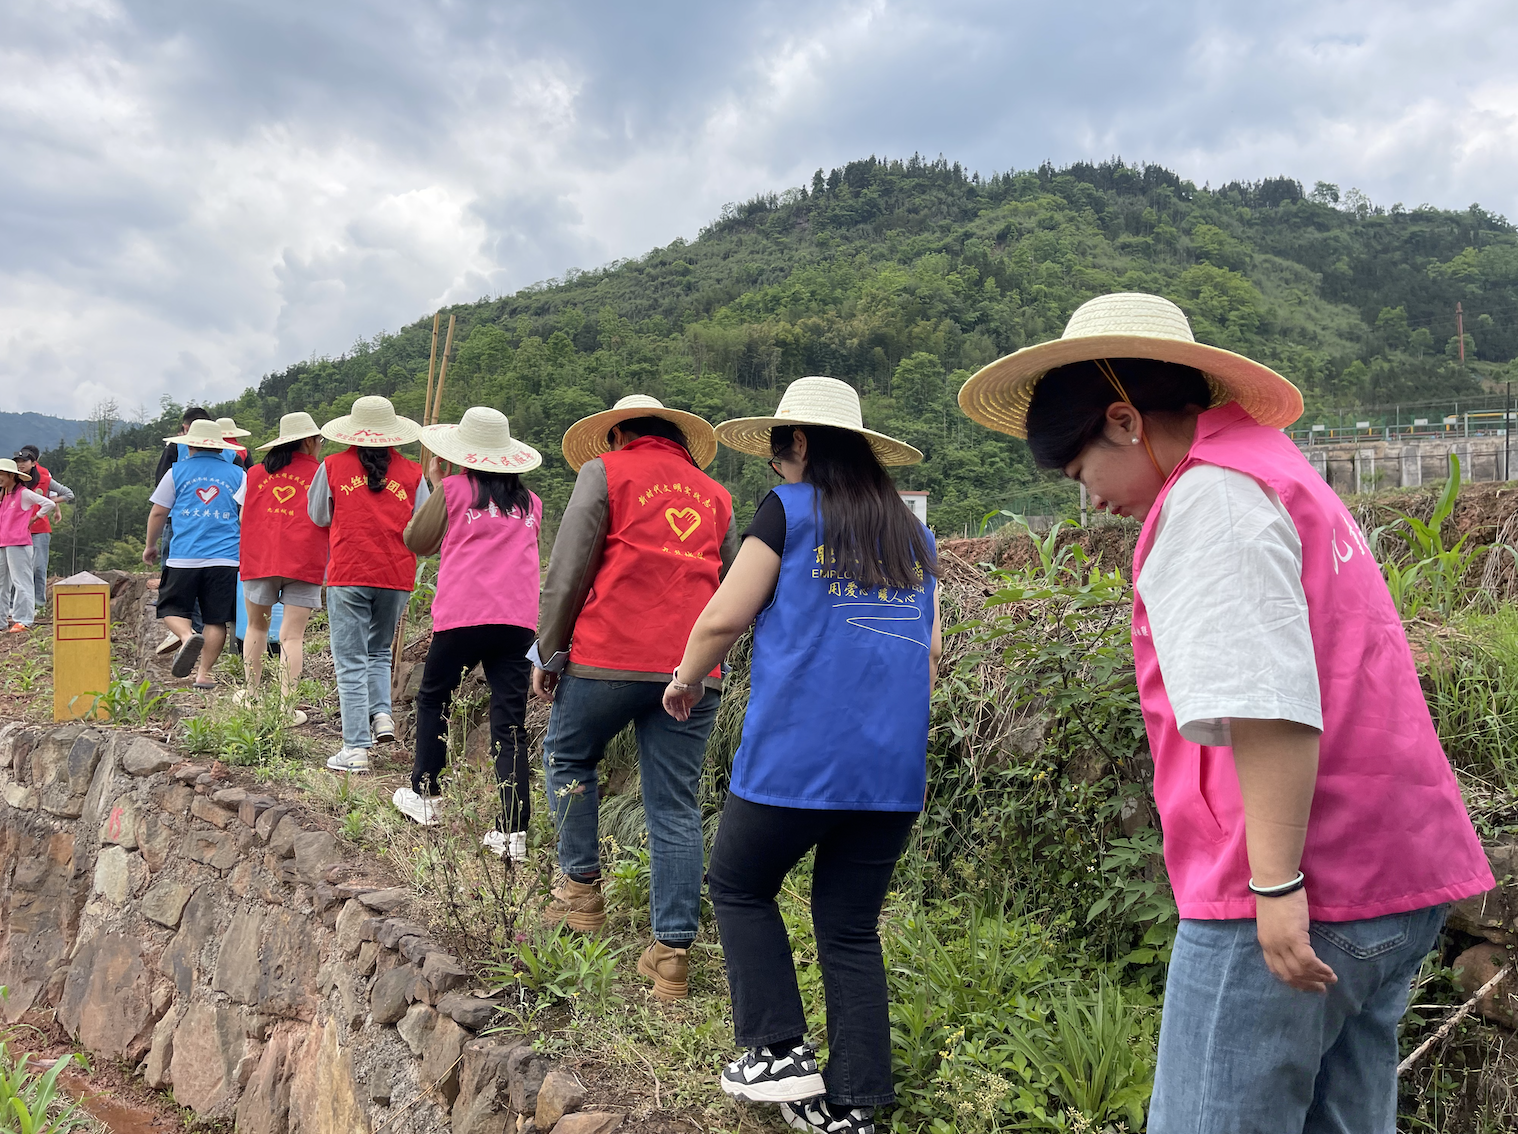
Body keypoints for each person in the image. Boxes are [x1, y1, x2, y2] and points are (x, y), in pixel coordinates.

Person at [957, 292, 1495, 1134]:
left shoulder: (1212, 500)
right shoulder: (1274, 467)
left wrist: (1274, 887)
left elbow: (1266, 707)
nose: (1090, 502)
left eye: (1080, 473)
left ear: (1124, 422)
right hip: (1392, 872)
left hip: (1295, 887)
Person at [663, 376, 940, 1133]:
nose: (777, 467)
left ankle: (778, 1049)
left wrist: (685, 678)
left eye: (778, 452)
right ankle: (857, 1107)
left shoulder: (787, 510)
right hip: (890, 771)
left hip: (798, 756)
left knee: (738, 884)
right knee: (849, 928)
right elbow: (928, 654)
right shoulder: (913, 535)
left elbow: (723, 617)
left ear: (802, 443)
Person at [531, 394, 738, 1001]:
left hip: (610, 655)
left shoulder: (605, 472)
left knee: (569, 756)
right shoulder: (716, 495)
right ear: (677, 439)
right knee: (674, 803)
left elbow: (569, 570)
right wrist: (711, 662)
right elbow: (731, 588)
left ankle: (579, 891)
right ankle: (671, 953)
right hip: (693, 669)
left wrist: (548, 652)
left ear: (618, 434)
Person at [397, 407, 544, 862]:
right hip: (517, 621)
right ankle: (512, 831)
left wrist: (436, 483)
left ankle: (425, 794)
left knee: (434, 698)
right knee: (510, 722)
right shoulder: (531, 503)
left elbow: (416, 541)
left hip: (464, 615)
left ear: (464, 454)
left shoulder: (454, 489)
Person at [308, 395, 426, 774]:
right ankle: (382, 716)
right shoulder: (413, 473)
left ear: (353, 432)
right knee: (378, 651)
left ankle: (355, 748)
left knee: (350, 662)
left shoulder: (332, 466)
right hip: (396, 575)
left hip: (349, 572)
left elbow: (318, 514)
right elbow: (422, 527)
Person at [238, 412, 330, 723]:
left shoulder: (254, 474)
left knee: (256, 628)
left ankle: (251, 697)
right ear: (309, 441)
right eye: (319, 439)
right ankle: (286, 708)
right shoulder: (321, 474)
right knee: (292, 637)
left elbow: (243, 517)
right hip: (304, 561)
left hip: (260, 559)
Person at [142, 419, 247, 686]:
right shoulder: (239, 474)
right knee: (216, 619)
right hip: (226, 558)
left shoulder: (176, 472)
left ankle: (187, 636)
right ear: (221, 447)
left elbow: (158, 512)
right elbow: (247, 515)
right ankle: (204, 674)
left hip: (184, 556)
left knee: (170, 607)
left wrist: (151, 545)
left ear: (189, 446)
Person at [153, 406, 225, 652]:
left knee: (173, 593)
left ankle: (186, 631)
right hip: (224, 541)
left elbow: (160, 500)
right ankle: (205, 663)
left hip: (181, 527)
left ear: (186, 430)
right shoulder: (233, 460)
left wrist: (150, 544)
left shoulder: (175, 451)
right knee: (216, 611)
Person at [12, 445, 74, 615]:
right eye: (18, 461)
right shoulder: (13, 478)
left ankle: (39, 604)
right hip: (16, 530)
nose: (21, 464)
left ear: (34, 462)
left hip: (39, 528)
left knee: (38, 567)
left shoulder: (44, 477)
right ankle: (13, 605)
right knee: (16, 568)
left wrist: (48, 503)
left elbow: (68, 494)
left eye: (24, 461)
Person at [0, 458, 57, 633]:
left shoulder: (23, 493)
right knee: (2, 583)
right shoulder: (5, 495)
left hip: (19, 543)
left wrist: (34, 518)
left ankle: (23, 619)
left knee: (21, 581)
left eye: (1, 474)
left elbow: (48, 503)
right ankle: (1, 621)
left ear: (11, 475)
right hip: (4, 542)